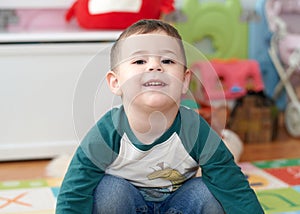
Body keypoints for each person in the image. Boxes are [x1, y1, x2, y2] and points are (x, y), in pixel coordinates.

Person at [56, 19, 264, 214]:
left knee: (212, 192)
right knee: (107, 192)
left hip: (179, 206)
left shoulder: (194, 128)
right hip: (128, 205)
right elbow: (75, 189)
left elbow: (231, 183)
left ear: (184, 80)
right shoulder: (108, 131)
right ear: (115, 82)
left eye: (167, 60)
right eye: (139, 61)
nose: (155, 67)